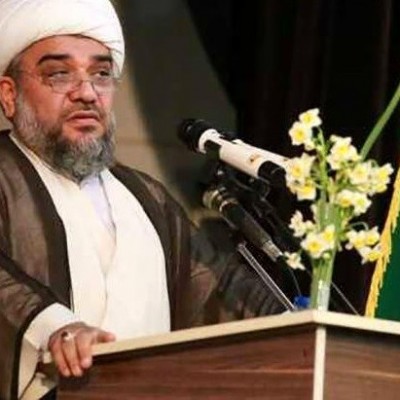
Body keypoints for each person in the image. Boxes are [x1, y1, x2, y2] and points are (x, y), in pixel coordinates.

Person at [0, 0, 285, 398]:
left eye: (101, 74)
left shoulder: (146, 197)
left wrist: (302, 323)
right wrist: (51, 328)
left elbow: (220, 292)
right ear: (9, 95)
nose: (87, 93)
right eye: (60, 74)